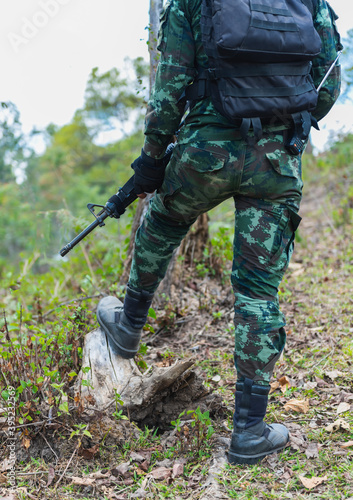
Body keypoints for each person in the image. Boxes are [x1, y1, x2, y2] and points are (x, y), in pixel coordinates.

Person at [97, 0, 342, 465]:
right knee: (257, 294)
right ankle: (249, 430)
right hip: (277, 160)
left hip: (204, 152)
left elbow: (169, 88)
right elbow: (330, 77)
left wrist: (151, 159)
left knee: (162, 223)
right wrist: (293, 122)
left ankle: (128, 326)